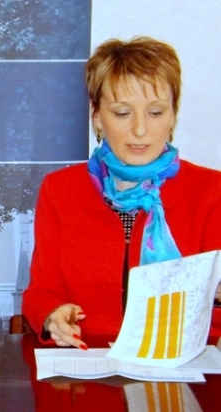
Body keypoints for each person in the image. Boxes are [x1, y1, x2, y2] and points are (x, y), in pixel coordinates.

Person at [22, 37, 221, 349]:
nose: (140, 130)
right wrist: (52, 316)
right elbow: (40, 292)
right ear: (97, 116)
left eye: (155, 112)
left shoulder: (210, 190)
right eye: (122, 113)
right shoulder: (60, 190)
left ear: (173, 116)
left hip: (183, 365)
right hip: (86, 364)